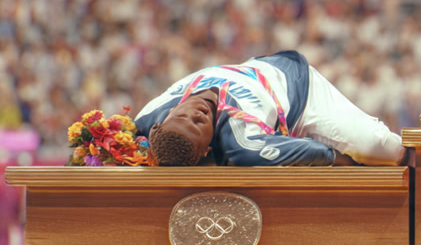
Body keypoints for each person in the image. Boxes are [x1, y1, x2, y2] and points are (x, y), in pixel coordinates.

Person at [134, 51, 405, 166]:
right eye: (200, 124)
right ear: (207, 148)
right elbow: (317, 151)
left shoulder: (147, 116)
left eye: (184, 115)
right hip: (302, 97)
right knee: (380, 148)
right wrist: (348, 160)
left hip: (271, 66)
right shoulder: (240, 143)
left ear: (164, 120)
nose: (197, 112)